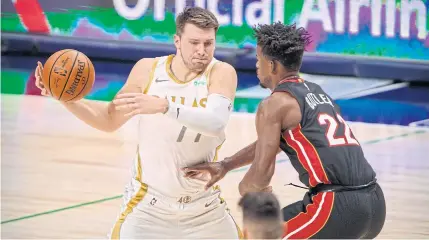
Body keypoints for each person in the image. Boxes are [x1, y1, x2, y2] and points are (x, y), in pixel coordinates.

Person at [34, 7, 242, 239]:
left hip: (205, 211)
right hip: (148, 210)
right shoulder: (148, 70)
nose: (202, 51)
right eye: (194, 43)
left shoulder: (221, 72)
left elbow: (215, 123)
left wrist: (165, 106)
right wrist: (66, 99)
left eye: (208, 43)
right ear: (177, 41)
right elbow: (109, 119)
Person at [183, 22, 386, 239]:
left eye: (258, 59)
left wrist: (247, 188)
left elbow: (261, 175)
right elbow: (278, 141)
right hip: (374, 202)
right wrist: (226, 165)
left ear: (272, 66)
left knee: (259, 234)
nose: (256, 66)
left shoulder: (275, 104)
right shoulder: (315, 92)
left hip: (336, 206)